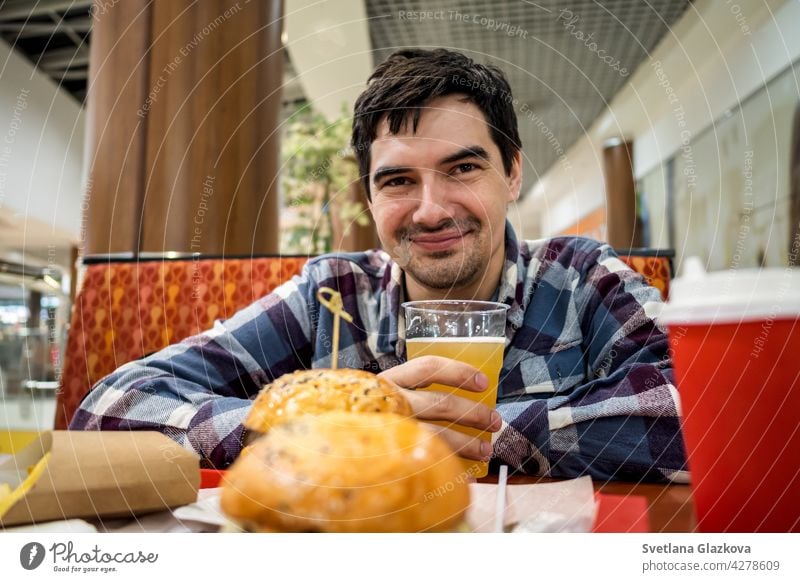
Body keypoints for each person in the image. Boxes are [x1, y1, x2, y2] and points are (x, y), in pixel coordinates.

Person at [71, 48, 687, 483]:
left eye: (463, 168)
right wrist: (330, 426)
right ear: (369, 198)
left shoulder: (578, 277)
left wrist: (472, 434)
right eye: (397, 181)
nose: (429, 209)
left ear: (513, 173)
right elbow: (110, 409)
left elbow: (703, 410)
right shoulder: (331, 294)